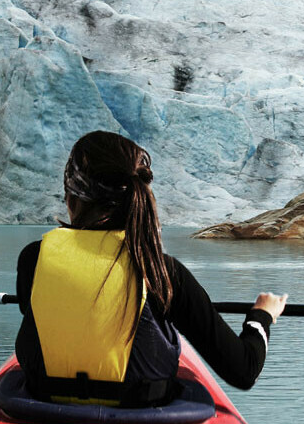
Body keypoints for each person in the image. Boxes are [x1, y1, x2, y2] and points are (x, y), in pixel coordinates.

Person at [14, 131, 288, 407]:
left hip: (46, 405)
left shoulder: (33, 260)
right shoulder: (162, 272)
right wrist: (261, 316)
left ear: (72, 199)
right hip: (140, 409)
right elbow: (244, 370)